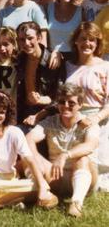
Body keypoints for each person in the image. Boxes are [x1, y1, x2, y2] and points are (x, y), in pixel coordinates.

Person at [26, 84, 99, 217]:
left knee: (82, 158)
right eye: (61, 102)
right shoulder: (50, 122)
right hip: (56, 176)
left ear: (80, 105)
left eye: (71, 103)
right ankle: (43, 191)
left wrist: (65, 155)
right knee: (28, 155)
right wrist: (35, 158)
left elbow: (90, 145)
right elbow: (29, 139)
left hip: (84, 177)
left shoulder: (88, 123)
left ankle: (76, 203)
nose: (65, 106)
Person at [64, 22, 109, 185]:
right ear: (75, 41)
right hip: (73, 120)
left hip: (98, 121)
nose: (87, 43)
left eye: (92, 40)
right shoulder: (69, 66)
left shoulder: (105, 67)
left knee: (99, 176)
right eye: (83, 39)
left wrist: (95, 119)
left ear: (97, 43)